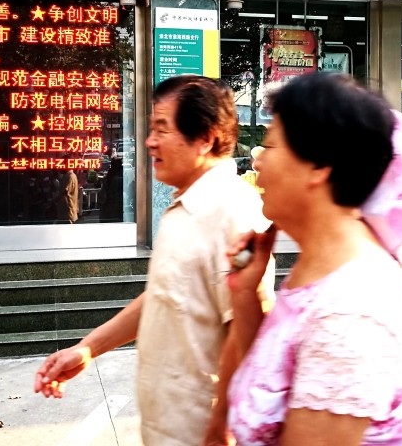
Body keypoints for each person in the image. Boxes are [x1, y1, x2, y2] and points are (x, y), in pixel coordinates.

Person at [34, 74, 274, 446]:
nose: (149, 142)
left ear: (206, 137)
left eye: (162, 128)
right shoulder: (185, 207)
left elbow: (247, 334)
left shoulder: (235, 215)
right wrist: (88, 348)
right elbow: (164, 295)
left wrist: (221, 429)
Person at [225, 72, 402, 446]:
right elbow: (269, 388)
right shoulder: (320, 270)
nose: (258, 160)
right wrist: (248, 296)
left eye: (271, 145)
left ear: (319, 165)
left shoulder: (351, 311)